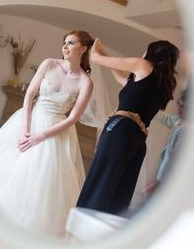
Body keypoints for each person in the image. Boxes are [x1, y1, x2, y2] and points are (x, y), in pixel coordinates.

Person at [0, 30, 94, 236]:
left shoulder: (86, 82)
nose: (64, 46)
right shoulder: (49, 64)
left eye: (70, 43)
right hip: (29, 121)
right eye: (64, 42)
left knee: (42, 179)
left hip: (54, 132)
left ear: (83, 48)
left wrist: (41, 136)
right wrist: (27, 130)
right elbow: (29, 95)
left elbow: (72, 119)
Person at [76, 38, 180, 216]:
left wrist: (96, 48)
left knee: (101, 182)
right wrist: (105, 54)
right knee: (119, 193)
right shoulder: (162, 85)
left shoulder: (142, 65)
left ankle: (81, 231)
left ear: (152, 53)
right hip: (138, 141)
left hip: (121, 131)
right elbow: (120, 79)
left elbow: (95, 59)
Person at [141, 87, 189, 196]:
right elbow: (167, 120)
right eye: (178, 103)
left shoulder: (185, 132)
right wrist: (151, 107)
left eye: (183, 106)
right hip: (164, 166)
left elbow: (173, 160)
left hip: (169, 173)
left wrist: (158, 182)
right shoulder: (179, 119)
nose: (179, 108)